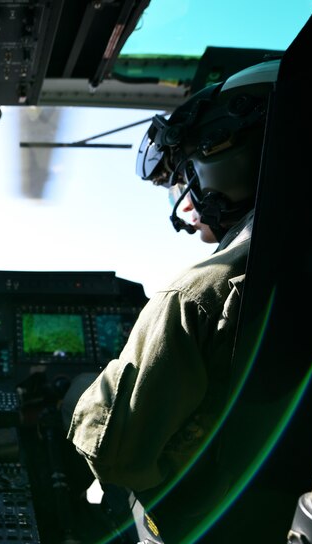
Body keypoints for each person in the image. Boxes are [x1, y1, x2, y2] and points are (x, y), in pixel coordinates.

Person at [65, 59, 279, 501]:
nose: (184, 202)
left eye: (181, 177)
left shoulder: (198, 292)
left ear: (225, 152)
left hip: (213, 518)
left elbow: (116, 455)